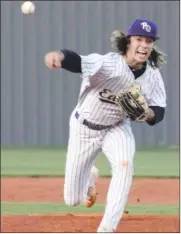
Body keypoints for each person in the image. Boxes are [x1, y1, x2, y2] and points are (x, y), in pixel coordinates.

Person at [44, 18, 167, 232]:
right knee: (72, 199)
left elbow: (159, 112)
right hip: (84, 127)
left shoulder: (152, 75)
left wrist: (147, 114)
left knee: (124, 165)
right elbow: (77, 61)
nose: (144, 45)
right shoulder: (108, 63)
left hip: (117, 127)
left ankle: (107, 228)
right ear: (128, 41)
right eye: (139, 39)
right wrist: (59, 57)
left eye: (149, 41)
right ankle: (90, 178)